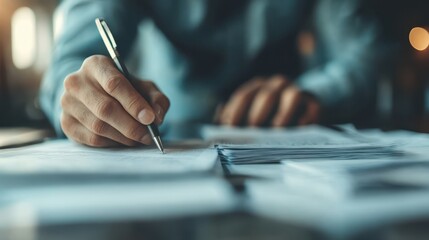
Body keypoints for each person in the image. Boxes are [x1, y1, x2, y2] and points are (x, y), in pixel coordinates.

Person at [40, 0, 389, 147]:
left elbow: (367, 55)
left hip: (284, 136)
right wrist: (81, 97)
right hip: (165, 132)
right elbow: (72, 61)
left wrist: (316, 95)